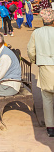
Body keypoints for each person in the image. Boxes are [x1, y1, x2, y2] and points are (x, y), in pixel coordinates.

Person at [27, 8, 54, 137]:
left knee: (47, 97)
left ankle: (50, 127)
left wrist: (35, 60)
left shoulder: (36, 33)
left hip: (44, 66)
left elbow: (31, 50)